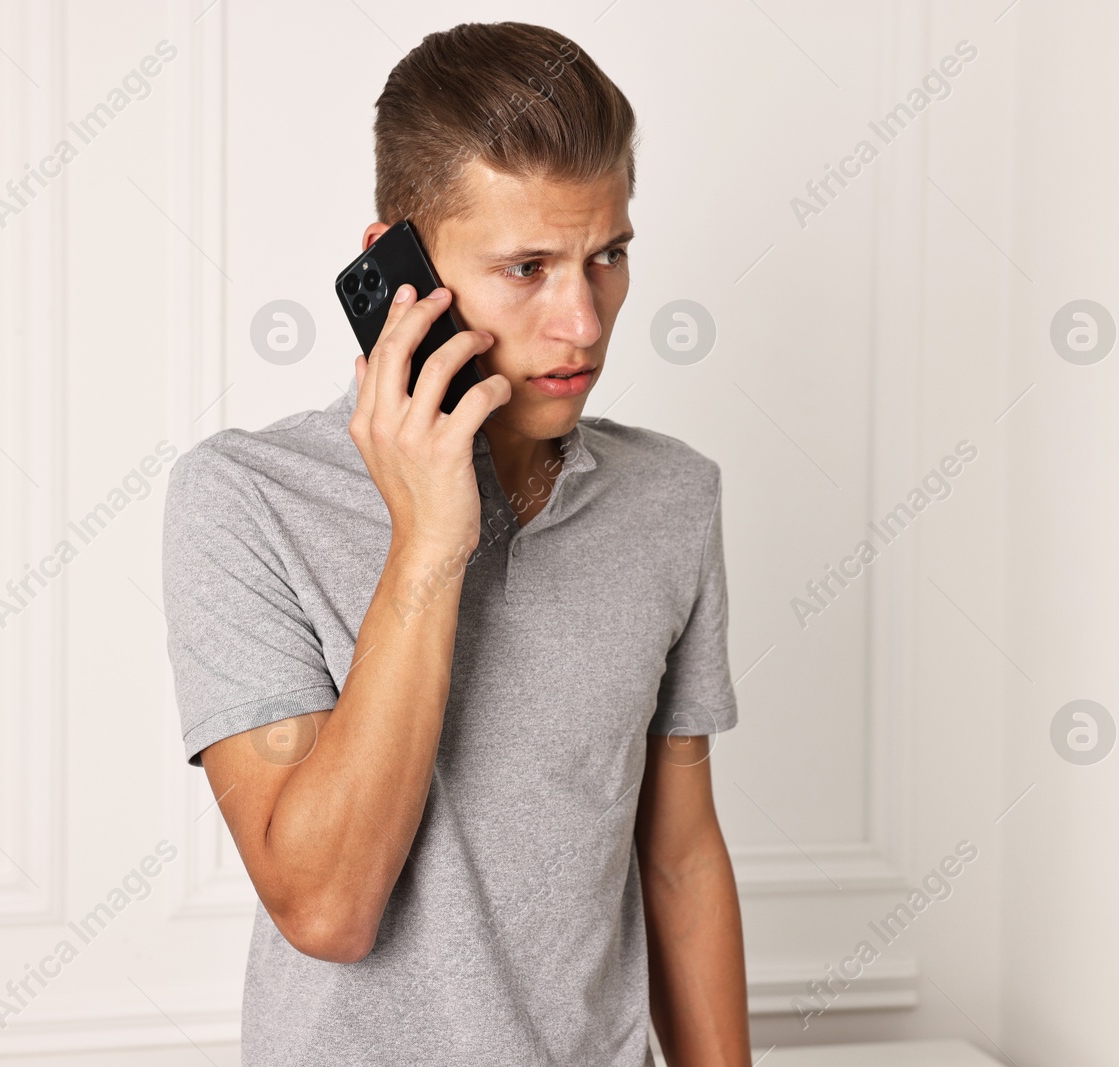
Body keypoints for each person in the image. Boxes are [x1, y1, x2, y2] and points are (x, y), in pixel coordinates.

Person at [162, 20, 749, 1066]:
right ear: (397, 271)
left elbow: (680, 855)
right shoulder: (244, 499)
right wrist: (430, 538)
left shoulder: (673, 497)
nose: (582, 320)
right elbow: (328, 906)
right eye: (526, 267)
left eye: (606, 255)